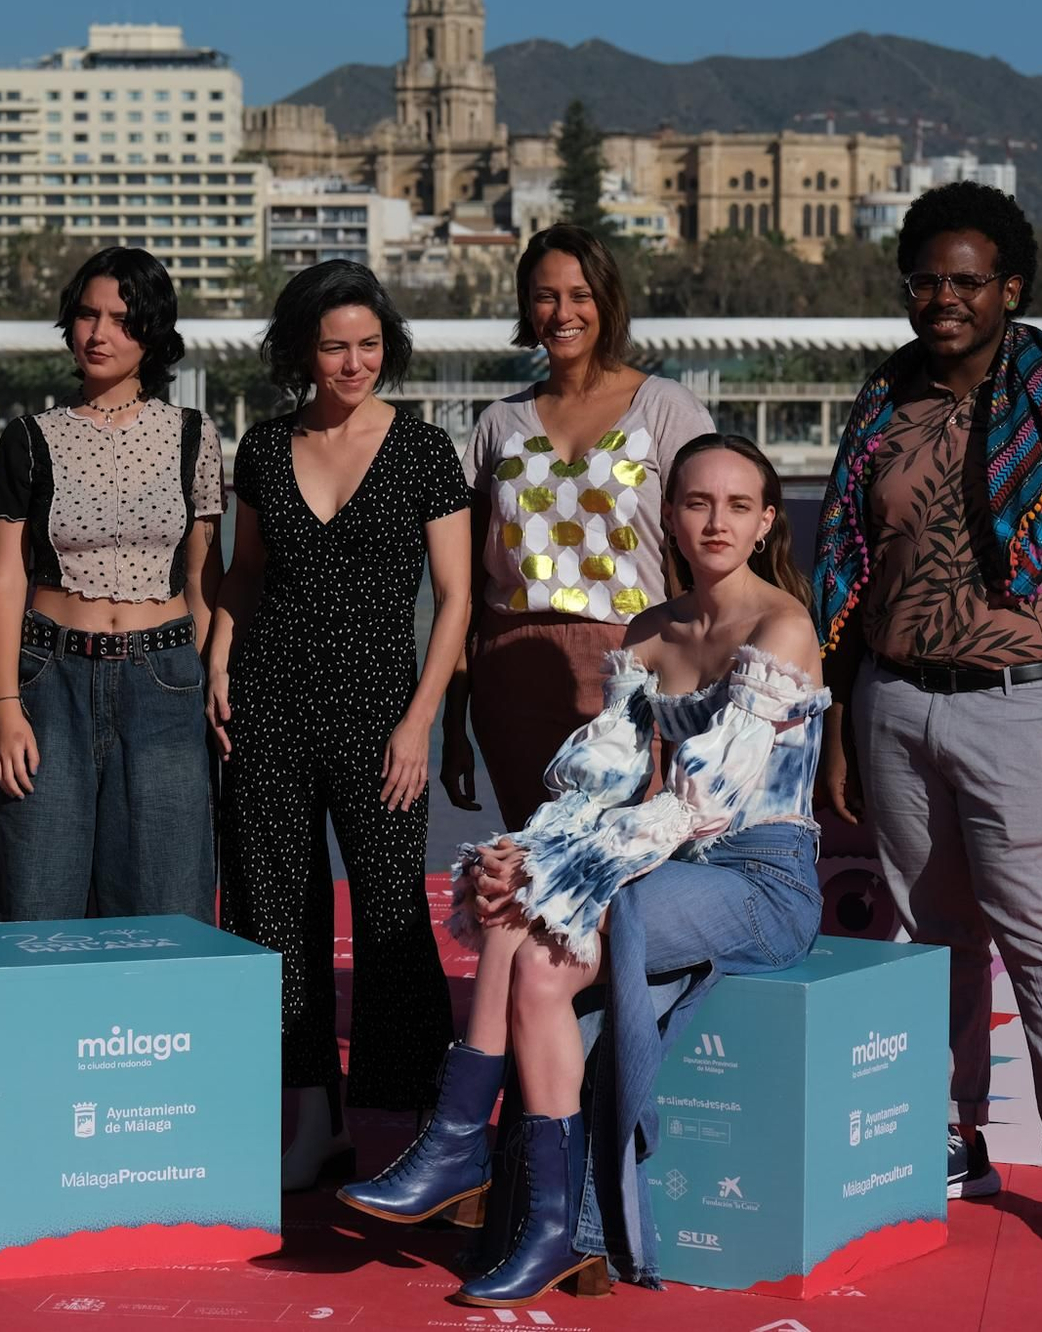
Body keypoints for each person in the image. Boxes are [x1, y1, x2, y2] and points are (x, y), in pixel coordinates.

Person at [340, 435, 827, 1307]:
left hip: (761, 880)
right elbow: (601, 782)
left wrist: (555, 864)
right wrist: (534, 843)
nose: (715, 522)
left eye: (737, 506)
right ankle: (528, 1208)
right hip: (667, 869)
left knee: (534, 896)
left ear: (763, 523)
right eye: (697, 503)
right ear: (669, 516)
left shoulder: (782, 624)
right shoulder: (648, 630)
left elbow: (703, 800)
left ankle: (467, 1148)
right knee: (521, 931)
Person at [812, 180, 1042, 1248]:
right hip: (894, 702)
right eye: (925, 279)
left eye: (966, 281)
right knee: (928, 937)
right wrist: (837, 725)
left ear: (1009, 287)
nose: (943, 298)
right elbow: (846, 577)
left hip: (1027, 705)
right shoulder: (881, 403)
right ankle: (947, 1132)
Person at [207, 261, 473, 1190]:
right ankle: (310, 1122)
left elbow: (455, 599)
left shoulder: (425, 450)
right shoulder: (263, 447)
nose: (353, 362)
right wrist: (218, 657)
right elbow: (242, 574)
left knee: (396, 916)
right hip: (269, 702)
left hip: (381, 716)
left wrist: (420, 723)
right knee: (275, 915)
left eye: (368, 343)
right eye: (334, 346)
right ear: (302, 351)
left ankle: (421, 1128)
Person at [0, 247, 223, 924]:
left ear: (153, 334)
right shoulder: (30, 438)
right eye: (87, 314)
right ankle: (34, 1034)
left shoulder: (194, 437)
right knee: (34, 895)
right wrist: (5, 706)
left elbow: (205, 576)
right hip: (50, 681)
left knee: (168, 902)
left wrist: (209, 676)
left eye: (121, 319)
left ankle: (161, 1034)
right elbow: (3, 579)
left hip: (166, 682)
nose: (98, 333)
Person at [443, 224, 715, 830]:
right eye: (545, 296)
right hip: (511, 678)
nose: (562, 312)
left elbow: (710, 557)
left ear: (607, 300)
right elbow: (461, 587)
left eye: (579, 294)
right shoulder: (498, 424)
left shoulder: (668, 408)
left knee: (626, 863)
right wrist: (453, 722)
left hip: (635, 668)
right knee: (537, 874)